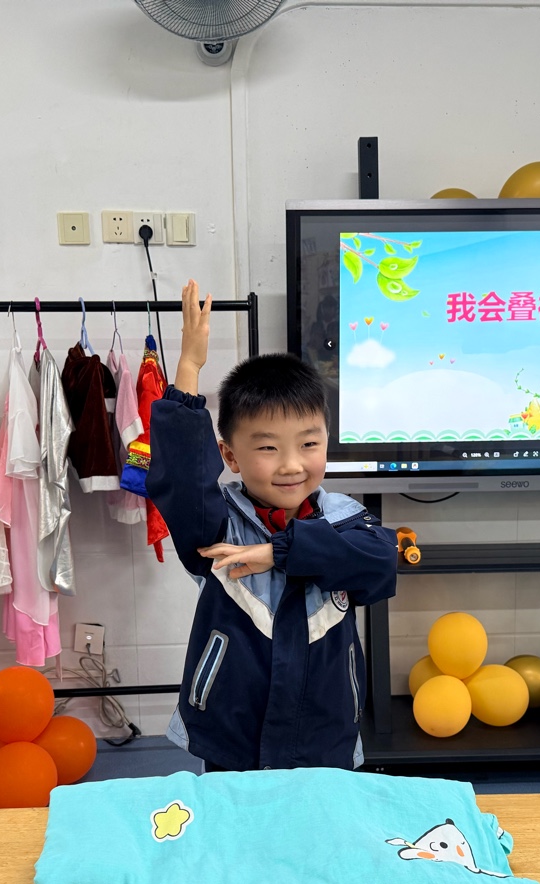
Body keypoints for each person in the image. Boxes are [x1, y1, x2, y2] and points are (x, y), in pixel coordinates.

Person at [147, 280, 398, 771]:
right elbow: (180, 479)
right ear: (230, 456)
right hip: (233, 735)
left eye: (309, 444)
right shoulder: (218, 526)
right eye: (267, 447)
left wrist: (278, 553)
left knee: (318, 819)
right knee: (235, 819)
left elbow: (380, 563)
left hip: (324, 735)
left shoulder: (345, 518)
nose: (291, 465)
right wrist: (189, 367)